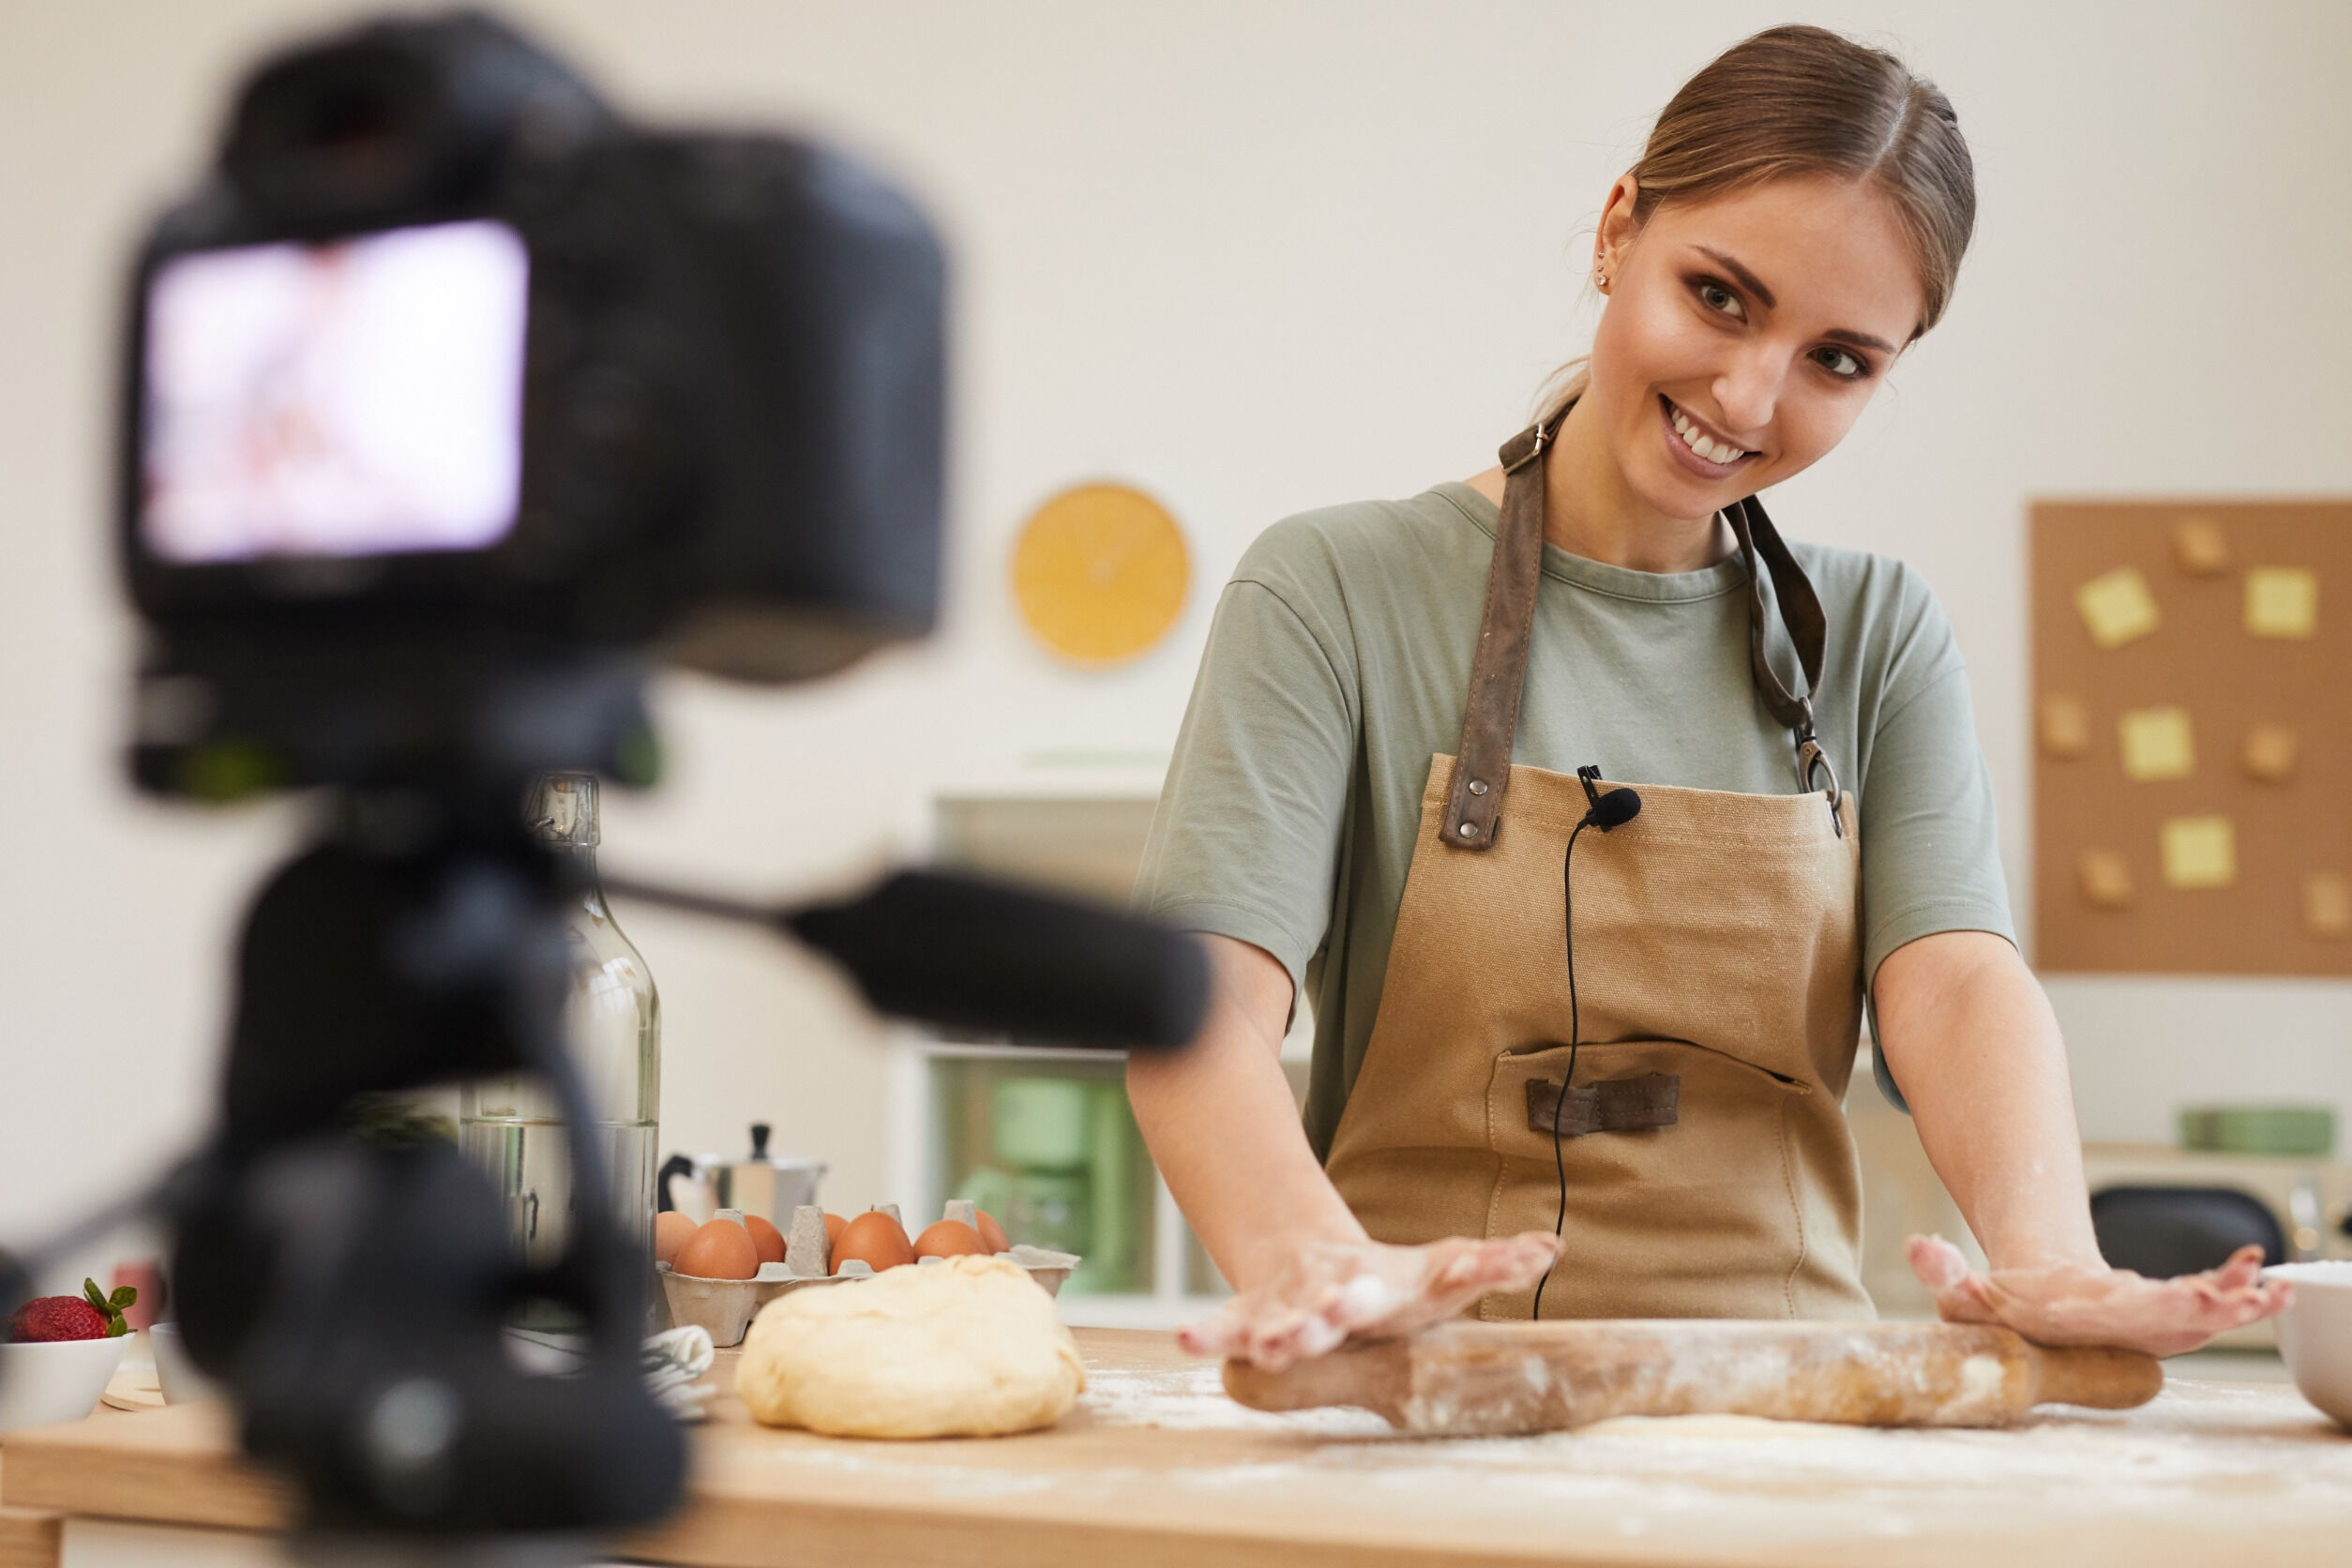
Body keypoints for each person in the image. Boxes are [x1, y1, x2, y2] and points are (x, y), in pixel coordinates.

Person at [1128, 24, 2287, 1372]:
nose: (1748, 396)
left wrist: (2051, 1258)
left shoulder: (1878, 634)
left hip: (1787, 1408)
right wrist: (1306, 1258)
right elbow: (1197, 995)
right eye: (1722, 297)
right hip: (1414, 1378)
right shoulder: (1334, 589)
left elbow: (1957, 982)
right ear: (1621, 227)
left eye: (1839, 361)